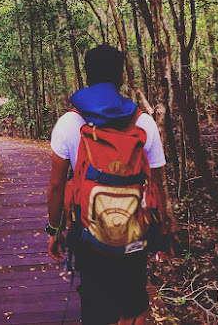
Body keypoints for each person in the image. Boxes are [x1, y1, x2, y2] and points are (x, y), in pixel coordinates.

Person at [46, 44, 178, 325]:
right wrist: (163, 231)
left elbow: (56, 186)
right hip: (134, 231)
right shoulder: (144, 122)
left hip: (88, 232)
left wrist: (54, 230)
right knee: (133, 307)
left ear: (87, 76)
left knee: (96, 306)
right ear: (120, 78)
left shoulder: (70, 122)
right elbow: (157, 186)